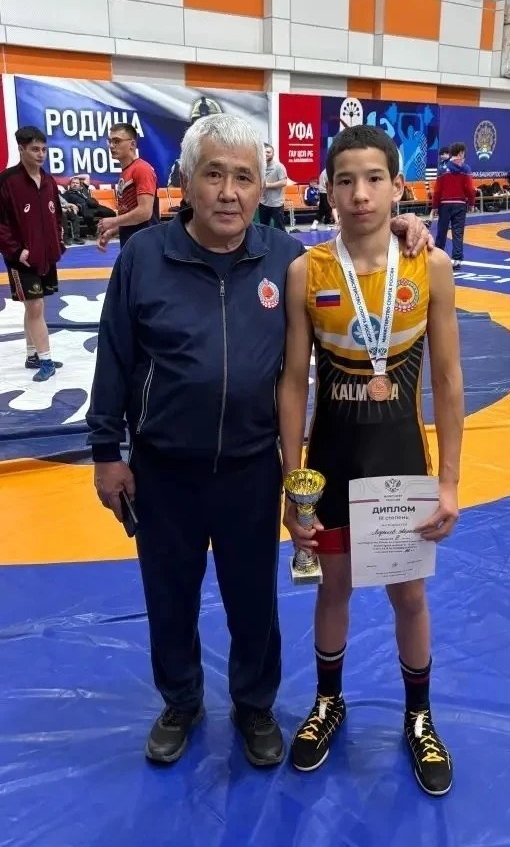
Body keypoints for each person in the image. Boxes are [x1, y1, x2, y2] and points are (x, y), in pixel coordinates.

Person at [86, 113, 433, 768]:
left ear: (260, 185)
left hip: (251, 468)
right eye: (213, 175)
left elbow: (351, 249)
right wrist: (107, 453)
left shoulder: (284, 257)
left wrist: (397, 226)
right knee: (169, 595)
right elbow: (115, 358)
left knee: (253, 600)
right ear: (185, 181)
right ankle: (181, 701)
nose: (228, 192)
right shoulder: (143, 259)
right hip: (164, 468)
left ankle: (253, 705)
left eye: (243, 177)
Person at [278, 124, 464, 796]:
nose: (360, 194)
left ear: (397, 187)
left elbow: (448, 379)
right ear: (327, 191)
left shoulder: (428, 266)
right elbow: (292, 383)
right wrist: (292, 485)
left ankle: (419, 717)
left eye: (373, 179)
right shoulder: (307, 271)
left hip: (400, 463)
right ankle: (329, 701)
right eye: (346, 180)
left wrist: (449, 482)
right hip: (331, 464)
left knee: (408, 596)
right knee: (331, 587)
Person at [0, 126, 65, 381]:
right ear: (21, 149)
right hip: (21, 259)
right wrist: (16, 251)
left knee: (36, 305)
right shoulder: (7, 181)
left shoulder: (48, 181)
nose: (41, 154)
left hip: (46, 255)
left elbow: (56, 215)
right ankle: (46, 361)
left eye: (44, 150)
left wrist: (58, 242)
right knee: (35, 305)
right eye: (35, 149)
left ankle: (32, 355)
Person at [97, 123, 159, 251]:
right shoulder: (127, 171)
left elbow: (145, 212)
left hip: (145, 244)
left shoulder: (142, 169)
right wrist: (112, 231)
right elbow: (128, 213)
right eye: (110, 141)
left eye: (117, 141)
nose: (111, 146)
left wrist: (113, 222)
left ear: (132, 144)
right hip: (131, 242)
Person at [431, 142, 476, 269]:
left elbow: (437, 190)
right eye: (463, 153)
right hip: (460, 204)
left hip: (444, 205)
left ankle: (438, 258)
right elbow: (470, 189)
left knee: (442, 232)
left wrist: (435, 206)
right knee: (458, 232)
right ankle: (457, 260)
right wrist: (471, 203)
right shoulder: (466, 169)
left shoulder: (442, 169)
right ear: (461, 153)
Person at [258, 143, 287, 231]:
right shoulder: (261, 167)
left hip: (276, 204)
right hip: (263, 203)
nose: (266, 154)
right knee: (263, 228)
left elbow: (284, 182)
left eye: (268, 152)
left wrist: (268, 185)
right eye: (264, 152)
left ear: (273, 154)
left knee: (280, 229)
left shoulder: (279, 166)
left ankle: (281, 240)